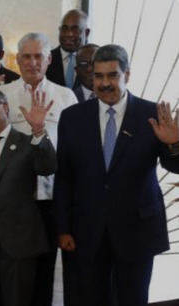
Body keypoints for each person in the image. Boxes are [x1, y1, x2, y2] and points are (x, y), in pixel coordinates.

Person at [55, 44, 179, 306]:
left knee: (133, 299)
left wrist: (173, 144)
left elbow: (174, 166)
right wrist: (63, 228)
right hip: (87, 232)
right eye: (99, 76)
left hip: (137, 231)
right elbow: (65, 177)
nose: (105, 83)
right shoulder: (72, 118)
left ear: (128, 75)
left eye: (113, 75)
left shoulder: (153, 115)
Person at [0, 32, 78, 306]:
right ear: (18, 59)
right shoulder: (4, 94)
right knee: (3, 284)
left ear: (49, 59)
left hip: (48, 201)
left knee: (40, 283)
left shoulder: (65, 97)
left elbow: (72, 154)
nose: (32, 62)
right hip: (8, 203)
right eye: (26, 56)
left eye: (38, 56)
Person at [0, 88, 55, 306]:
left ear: (4, 107)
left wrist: (38, 130)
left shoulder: (28, 143)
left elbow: (47, 166)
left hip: (19, 248)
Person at [46, 9, 90, 89]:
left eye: (75, 29)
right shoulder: (46, 60)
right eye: (64, 28)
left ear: (86, 33)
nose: (69, 34)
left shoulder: (96, 61)